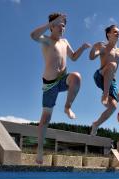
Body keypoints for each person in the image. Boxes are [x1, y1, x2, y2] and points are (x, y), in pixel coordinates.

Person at [30, 12, 91, 164]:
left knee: (76, 77)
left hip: (63, 80)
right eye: (58, 24)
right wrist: (51, 22)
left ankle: (67, 107)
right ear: (51, 27)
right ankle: (39, 151)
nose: (61, 28)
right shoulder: (46, 40)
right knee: (45, 119)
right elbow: (33, 35)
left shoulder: (65, 42)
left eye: (63, 25)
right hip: (49, 84)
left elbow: (74, 57)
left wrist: (82, 48)